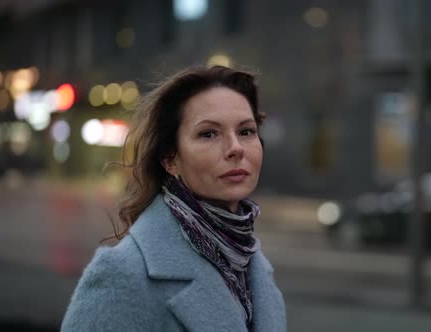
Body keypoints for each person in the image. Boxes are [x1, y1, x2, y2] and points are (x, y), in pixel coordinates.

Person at [61, 65, 286, 332]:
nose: (235, 148)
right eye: (209, 134)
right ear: (170, 159)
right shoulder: (123, 272)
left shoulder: (253, 266)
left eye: (246, 131)